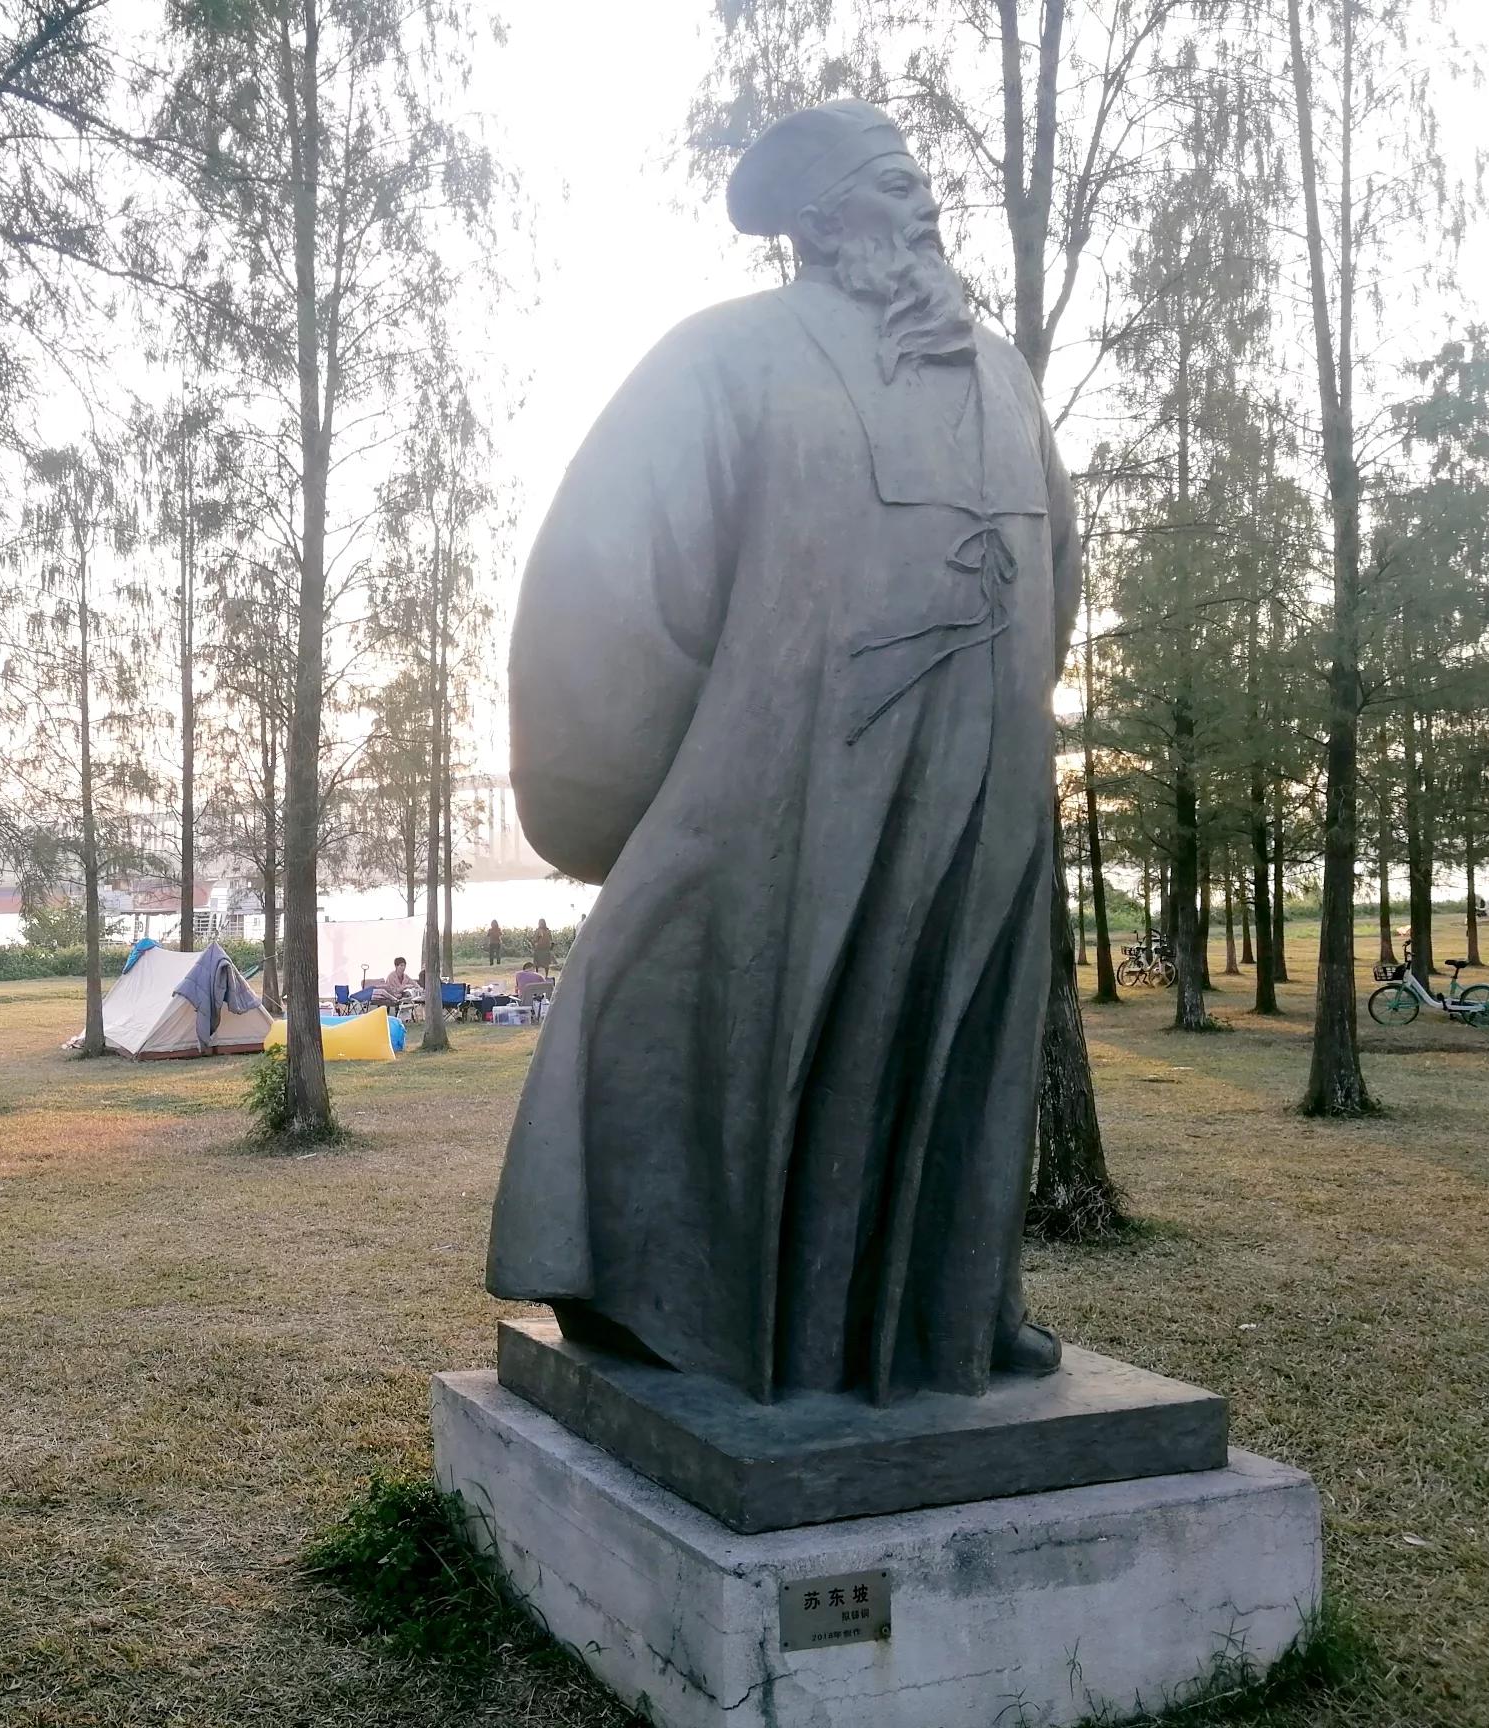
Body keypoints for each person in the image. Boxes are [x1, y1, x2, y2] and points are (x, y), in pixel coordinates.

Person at [487, 99, 1074, 1404]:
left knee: (956, 1046)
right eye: (885, 180)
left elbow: (1059, 582)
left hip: (982, 793)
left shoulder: (1003, 375)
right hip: (780, 802)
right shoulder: (725, 360)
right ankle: (701, 1312)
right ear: (815, 222)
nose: (918, 201)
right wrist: (659, 799)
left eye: (920, 177)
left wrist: (1002, 732)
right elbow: (603, 585)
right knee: (703, 1024)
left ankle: (952, 1312)